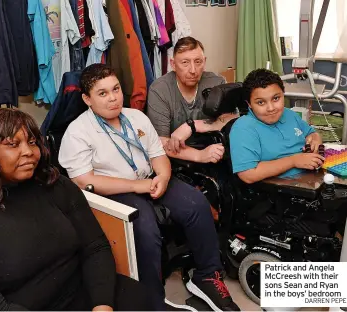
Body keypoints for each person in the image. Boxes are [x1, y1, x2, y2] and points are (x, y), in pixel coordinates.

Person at [0, 108, 153, 311]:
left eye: (32, 142)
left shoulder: (54, 183)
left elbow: (94, 247)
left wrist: (102, 305)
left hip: (77, 294)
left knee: (141, 298)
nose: (29, 151)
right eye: (13, 144)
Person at [59, 63, 240, 312]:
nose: (113, 98)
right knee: (145, 229)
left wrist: (164, 177)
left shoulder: (136, 117)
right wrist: (139, 186)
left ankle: (207, 275)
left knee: (196, 203)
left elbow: (158, 156)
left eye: (116, 89)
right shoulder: (77, 133)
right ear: (87, 99)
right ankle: (153, 301)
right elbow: (85, 181)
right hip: (115, 193)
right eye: (103, 93)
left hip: (152, 179)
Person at [146, 36, 239, 164]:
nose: (193, 70)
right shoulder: (160, 90)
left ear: (204, 62)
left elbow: (232, 120)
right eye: (185, 62)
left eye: (198, 62)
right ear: (173, 64)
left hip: (216, 151)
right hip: (178, 158)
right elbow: (161, 142)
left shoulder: (217, 82)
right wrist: (199, 155)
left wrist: (191, 126)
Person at [229, 68, 325, 183]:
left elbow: (311, 133)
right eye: (261, 102)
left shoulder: (288, 114)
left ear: (283, 95)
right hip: (278, 191)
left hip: (311, 177)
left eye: (276, 98)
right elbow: (248, 174)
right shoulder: (243, 128)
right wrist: (293, 161)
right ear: (249, 104)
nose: (271, 108)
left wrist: (315, 138)